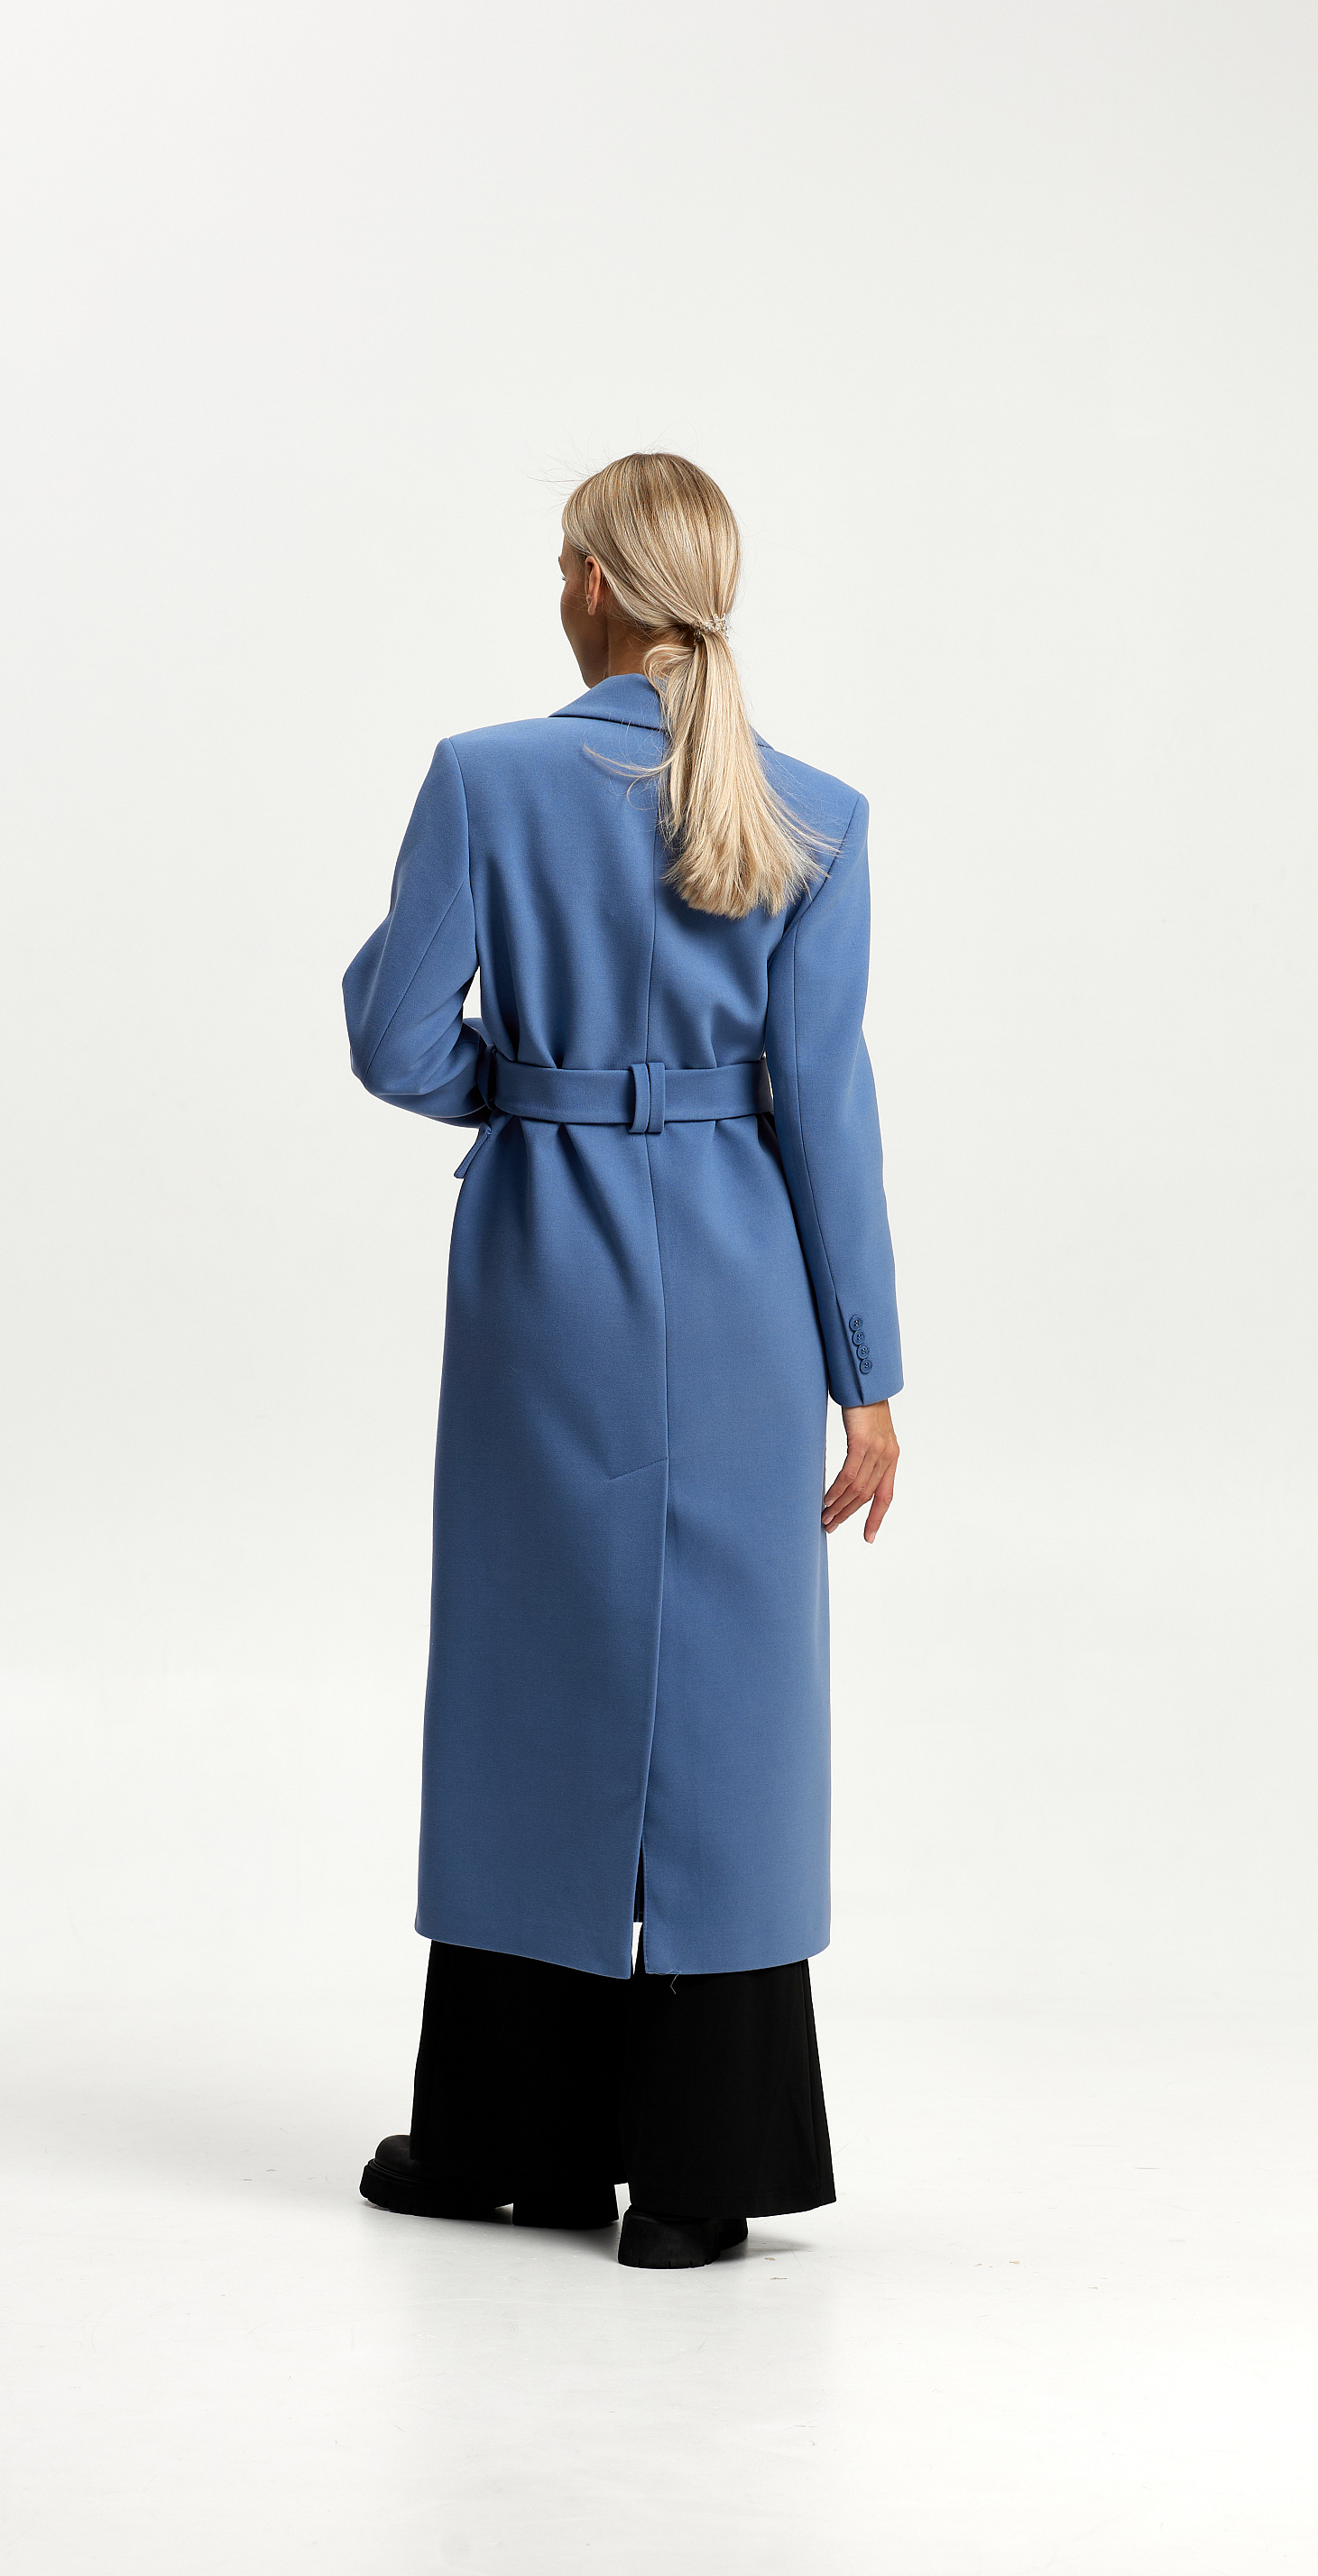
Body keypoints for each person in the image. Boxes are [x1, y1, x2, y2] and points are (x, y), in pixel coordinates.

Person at [342, 452, 901, 2270]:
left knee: (531, 1667)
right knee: (733, 1694)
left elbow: (392, 1034)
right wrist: (869, 1374)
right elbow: (830, 1115)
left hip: (548, 1268)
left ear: (590, 582)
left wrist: (529, 1092)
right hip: (743, 1279)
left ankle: (510, 2140)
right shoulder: (813, 812)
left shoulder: (485, 778)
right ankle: (701, 2171)